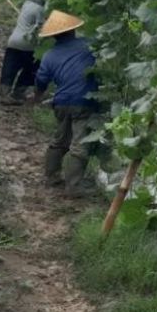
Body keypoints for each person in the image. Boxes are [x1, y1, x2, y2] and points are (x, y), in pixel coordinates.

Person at [33, 10, 103, 194]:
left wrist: (37, 96)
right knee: (79, 145)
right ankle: (73, 186)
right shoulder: (88, 45)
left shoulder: (49, 55)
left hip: (61, 102)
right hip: (84, 100)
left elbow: (41, 80)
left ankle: (51, 177)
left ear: (54, 35)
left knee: (60, 140)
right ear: (73, 30)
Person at [0, 0, 44, 104]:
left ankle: (4, 94)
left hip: (13, 41)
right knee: (31, 68)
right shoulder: (39, 9)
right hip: (28, 44)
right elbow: (39, 27)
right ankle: (19, 92)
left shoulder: (25, 5)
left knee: (9, 68)